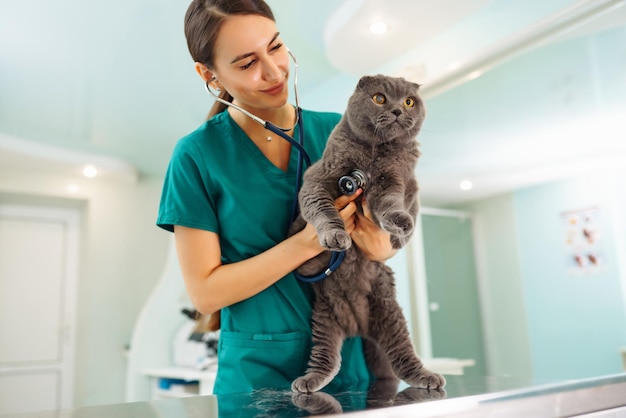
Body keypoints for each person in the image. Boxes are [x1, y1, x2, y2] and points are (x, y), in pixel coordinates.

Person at [157, 0, 397, 395]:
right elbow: (205, 293)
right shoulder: (197, 155)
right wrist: (306, 243)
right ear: (209, 75)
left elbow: (381, 245)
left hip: (354, 364)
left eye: (275, 47)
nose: (272, 71)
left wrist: (378, 241)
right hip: (258, 378)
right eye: (247, 63)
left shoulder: (342, 131)